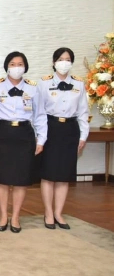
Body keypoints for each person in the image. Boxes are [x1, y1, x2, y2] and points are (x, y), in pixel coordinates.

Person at [0, 52, 47, 233]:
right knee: (2, 178)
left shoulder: (33, 88)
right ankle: (3, 216)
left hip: (24, 135)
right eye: (12, 64)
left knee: (21, 179)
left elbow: (40, 115)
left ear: (25, 67)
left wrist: (41, 139)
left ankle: (15, 217)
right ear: (6, 66)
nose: (16, 67)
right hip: (1, 133)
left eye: (20, 64)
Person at [37, 47, 88, 230]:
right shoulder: (44, 83)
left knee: (64, 175)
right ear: (53, 62)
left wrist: (83, 135)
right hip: (51, 128)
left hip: (70, 130)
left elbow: (83, 112)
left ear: (71, 63)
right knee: (49, 174)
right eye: (60, 59)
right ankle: (48, 212)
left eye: (67, 59)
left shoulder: (79, 84)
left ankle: (59, 213)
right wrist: (41, 137)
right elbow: (39, 112)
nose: (64, 63)